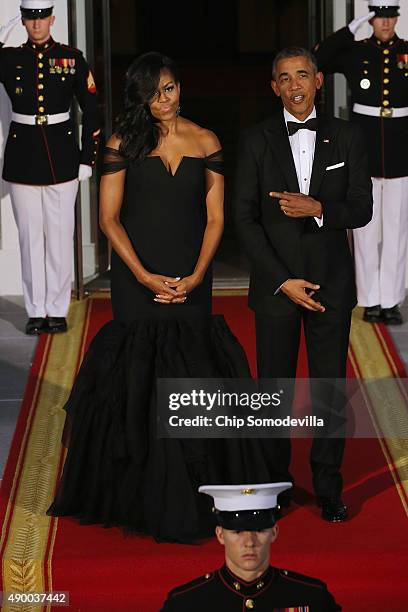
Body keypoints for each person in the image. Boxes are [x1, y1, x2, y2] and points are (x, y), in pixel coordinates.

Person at [48, 52, 275, 543]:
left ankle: (200, 490)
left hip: (192, 278)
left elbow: (215, 218)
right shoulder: (121, 143)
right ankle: (141, 493)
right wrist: (146, 277)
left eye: (170, 88)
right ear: (140, 97)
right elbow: (109, 220)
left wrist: (195, 276)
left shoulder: (207, 140)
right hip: (138, 278)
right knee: (141, 374)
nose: (165, 100)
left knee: (193, 371)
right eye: (154, 92)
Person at [234, 47, 373, 522]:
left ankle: (328, 487)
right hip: (277, 287)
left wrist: (318, 209)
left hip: (331, 285)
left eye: (303, 75)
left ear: (318, 81)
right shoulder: (255, 140)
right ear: (274, 87)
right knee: (271, 392)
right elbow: (244, 220)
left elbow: (362, 208)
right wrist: (282, 281)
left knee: (328, 390)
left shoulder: (348, 135)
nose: (294, 85)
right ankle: (275, 485)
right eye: (284, 77)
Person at [0, 0, 100, 335]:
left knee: (58, 237)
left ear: (52, 19)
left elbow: (92, 109)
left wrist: (87, 157)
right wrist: (7, 28)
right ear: (24, 22)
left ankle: (56, 310)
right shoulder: (10, 58)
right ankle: (36, 310)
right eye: (30, 19)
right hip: (23, 157)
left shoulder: (71, 58)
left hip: (62, 156)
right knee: (30, 239)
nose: (37, 25)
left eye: (42, 18)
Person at [314, 0, 408, 325]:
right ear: (371, 19)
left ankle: (391, 300)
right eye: (378, 17)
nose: (385, 23)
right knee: (365, 228)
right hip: (364, 148)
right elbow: (318, 59)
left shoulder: (407, 51)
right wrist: (350, 28)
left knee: (397, 229)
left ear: (397, 18)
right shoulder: (355, 51)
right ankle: (368, 298)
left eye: (389, 17)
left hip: (401, 150)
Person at [161, 482, 342, 610]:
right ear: (220, 535)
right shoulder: (186, 603)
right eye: (237, 532)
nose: (249, 542)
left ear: (274, 532)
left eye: (260, 530)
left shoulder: (312, 597)